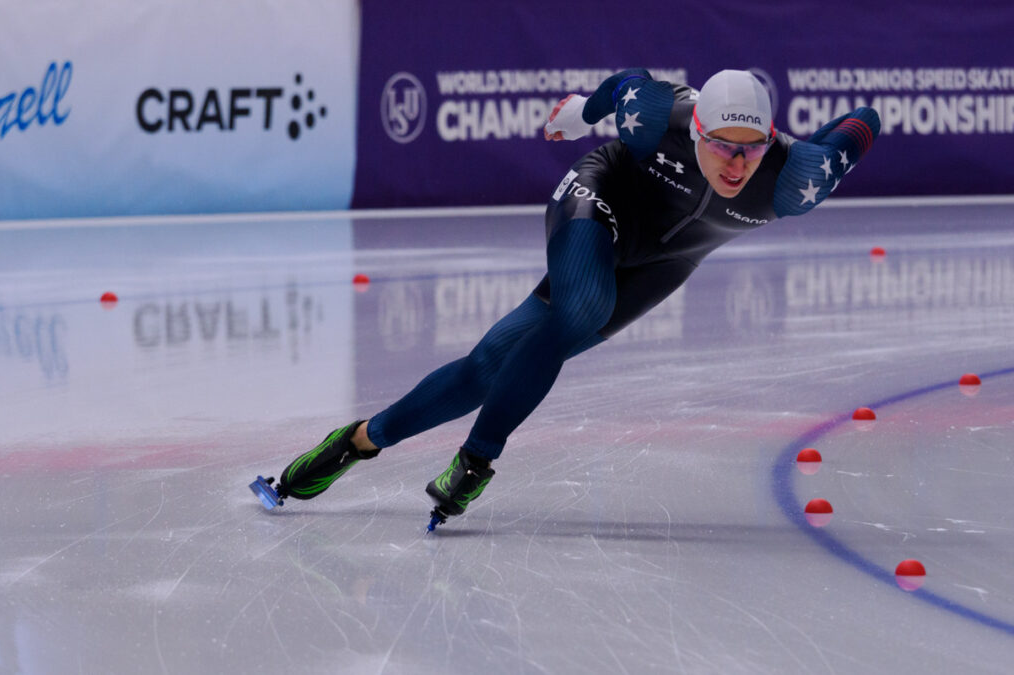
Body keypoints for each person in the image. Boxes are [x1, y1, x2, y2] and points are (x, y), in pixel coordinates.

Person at [250, 68, 881, 529]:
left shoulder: (797, 179)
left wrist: (805, 147)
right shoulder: (659, 114)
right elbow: (621, 86)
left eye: (750, 149)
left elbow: (862, 125)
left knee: (487, 369)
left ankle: (357, 441)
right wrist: (579, 110)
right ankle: (474, 464)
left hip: (665, 263)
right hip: (598, 196)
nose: (736, 164)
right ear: (696, 131)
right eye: (719, 145)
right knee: (581, 308)